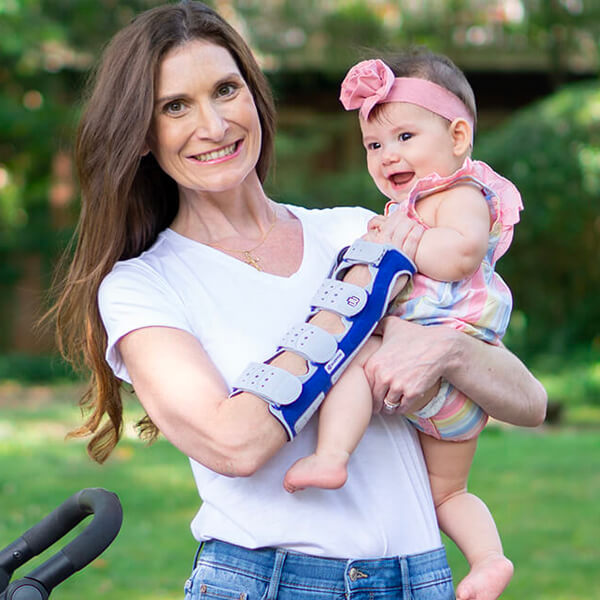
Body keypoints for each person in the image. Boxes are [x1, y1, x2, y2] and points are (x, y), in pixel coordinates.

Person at [51, 3, 547, 599]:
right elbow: (234, 443)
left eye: (226, 90)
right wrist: (359, 304)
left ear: (255, 99)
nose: (211, 125)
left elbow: (528, 402)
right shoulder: (142, 286)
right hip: (270, 582)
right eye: (174, 106)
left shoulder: (356, 229)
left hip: (423, 577)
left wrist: (446, 351)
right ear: (142, 133)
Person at [283, 50, 523, 600]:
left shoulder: (460, 194)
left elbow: (461, 255)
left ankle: (330, 457)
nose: (387, 154)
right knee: (447, 495)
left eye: (404, 137)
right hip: (448, 393)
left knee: (353, 364)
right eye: (374, 144)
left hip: (452, 357)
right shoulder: (407, 208)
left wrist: (405, 241)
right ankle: (488, 560)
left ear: (458, 137)